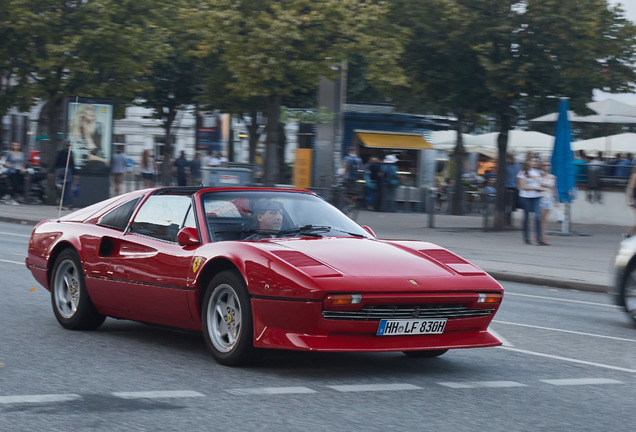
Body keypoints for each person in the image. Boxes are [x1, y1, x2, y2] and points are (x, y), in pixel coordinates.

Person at [517, 154, 545, 245]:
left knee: (538, 216)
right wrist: (535, 188)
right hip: (526, 197)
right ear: (528, 162)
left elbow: (541, 183)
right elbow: (522, 186)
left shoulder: (538, 172)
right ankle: (526, 237)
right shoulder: (523, 172)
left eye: (536, 161)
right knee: (527, 216)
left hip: (536, 197)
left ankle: (538, 237)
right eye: (533, 160)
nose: (535, 162)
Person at [52, 139, 78, 209]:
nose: (68, 147)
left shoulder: (70, 153)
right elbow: (56, 163)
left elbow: (72, 164)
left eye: (69, 145)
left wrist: (75, 173)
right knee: (62, 189)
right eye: (67, 145)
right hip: (62, 172)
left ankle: (66, 203)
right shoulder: (61, 153)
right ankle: (67, 203)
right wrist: (51, 171)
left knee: (65, 189)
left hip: (66, 172)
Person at [539, 160, 557, 245]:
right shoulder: (539, 175)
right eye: (545, 165)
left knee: (545, 219)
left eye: (548, 165)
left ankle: (543, 235)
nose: (547, 167)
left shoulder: (552, 177)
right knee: (542, 218)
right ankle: (542, 236)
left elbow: (553, 188)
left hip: (549, 198)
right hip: (541, 197)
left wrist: (555, 199)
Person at [625, 165, 636, 237]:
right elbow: (630, 187)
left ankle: (628, 235)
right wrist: (630, 200)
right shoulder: (635, 175)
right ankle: (628, 234)